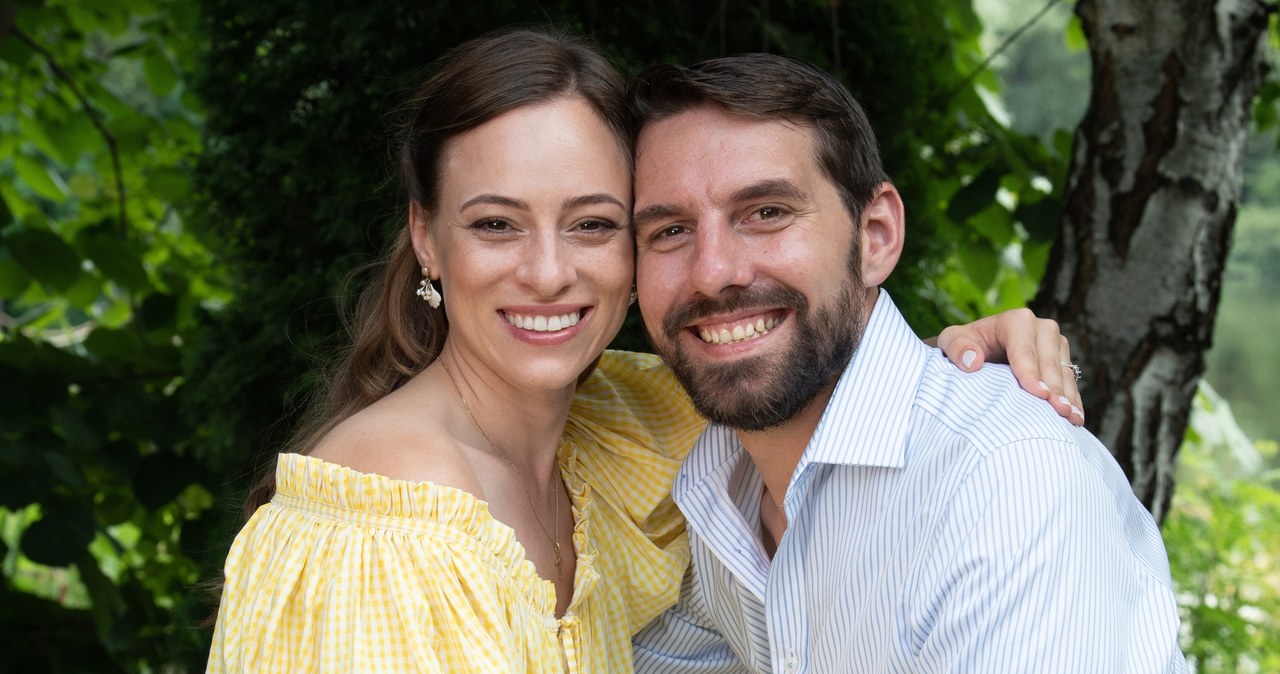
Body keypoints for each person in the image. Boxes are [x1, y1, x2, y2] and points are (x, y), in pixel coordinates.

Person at [207, 28, 1084, 673]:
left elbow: (802, 376)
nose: (549, 273)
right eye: (496, 224)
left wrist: (960, 363)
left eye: (593, 223)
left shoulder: (629, 426)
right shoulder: (384, 538)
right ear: (427, 241)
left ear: (634, 251)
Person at [627, 53, 1186, 672]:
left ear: (875, 236)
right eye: (670, 231)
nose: (712, 273)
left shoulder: (1001, 479)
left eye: (766, 213)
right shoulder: (720, 480)